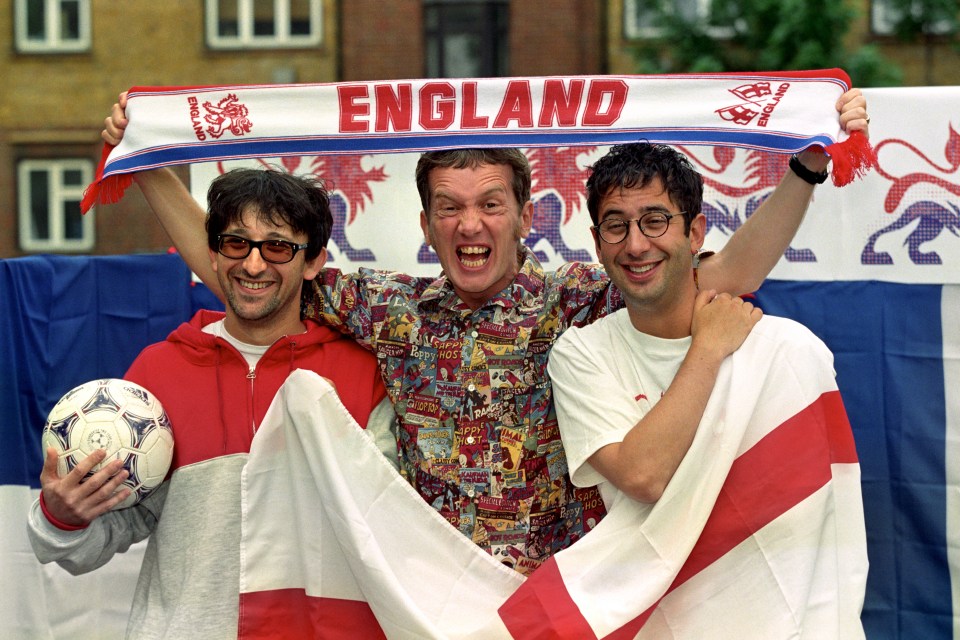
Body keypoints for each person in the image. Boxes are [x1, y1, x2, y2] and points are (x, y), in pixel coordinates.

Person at [100, 89, 870, 575]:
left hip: (560, 594)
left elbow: (721, 278)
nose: (471, 223)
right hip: (425, 595)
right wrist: (148, 156)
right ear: (427, 224)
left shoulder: (575, 296)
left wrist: (803, 168)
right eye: (450, 206)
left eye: (490, 203)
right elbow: (240, 266)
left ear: (527, 216)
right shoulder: (385, 308)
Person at [27, 169, 395, 639]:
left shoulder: (363, 374)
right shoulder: (158, 372)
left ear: (313, 261)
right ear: (215, 256)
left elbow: (389, 532)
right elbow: (110, 530)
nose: (254, 265)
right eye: (237, 243)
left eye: (278, 246)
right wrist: (63, 516)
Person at [541, 142, 867, 636]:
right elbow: (643, 475)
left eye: (655, 220)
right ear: (596, 239)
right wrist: (708, 348)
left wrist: (812, 159)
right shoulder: (578, 355)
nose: (635, 244)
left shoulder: (787, 350)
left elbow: (827, 522)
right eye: (616, 225)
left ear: (695, 232)